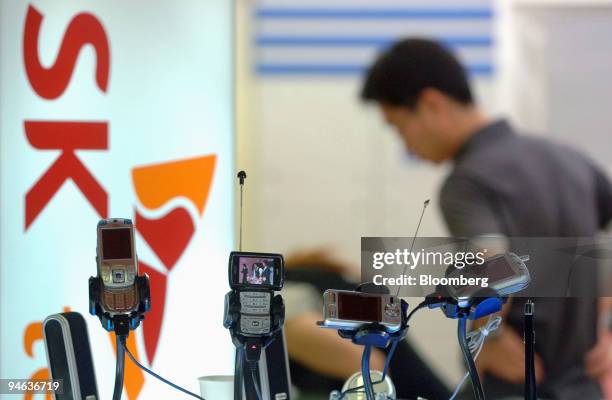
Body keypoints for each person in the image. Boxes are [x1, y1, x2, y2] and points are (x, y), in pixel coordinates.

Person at [361, 38, 612, 399]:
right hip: (585, 387)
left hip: (514, 385)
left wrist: (490, 336)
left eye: (399, 127)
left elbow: (490, 262)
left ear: (431, 103)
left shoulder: (467, 182)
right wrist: (605, 325)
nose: (406, 146)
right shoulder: (572, 161)